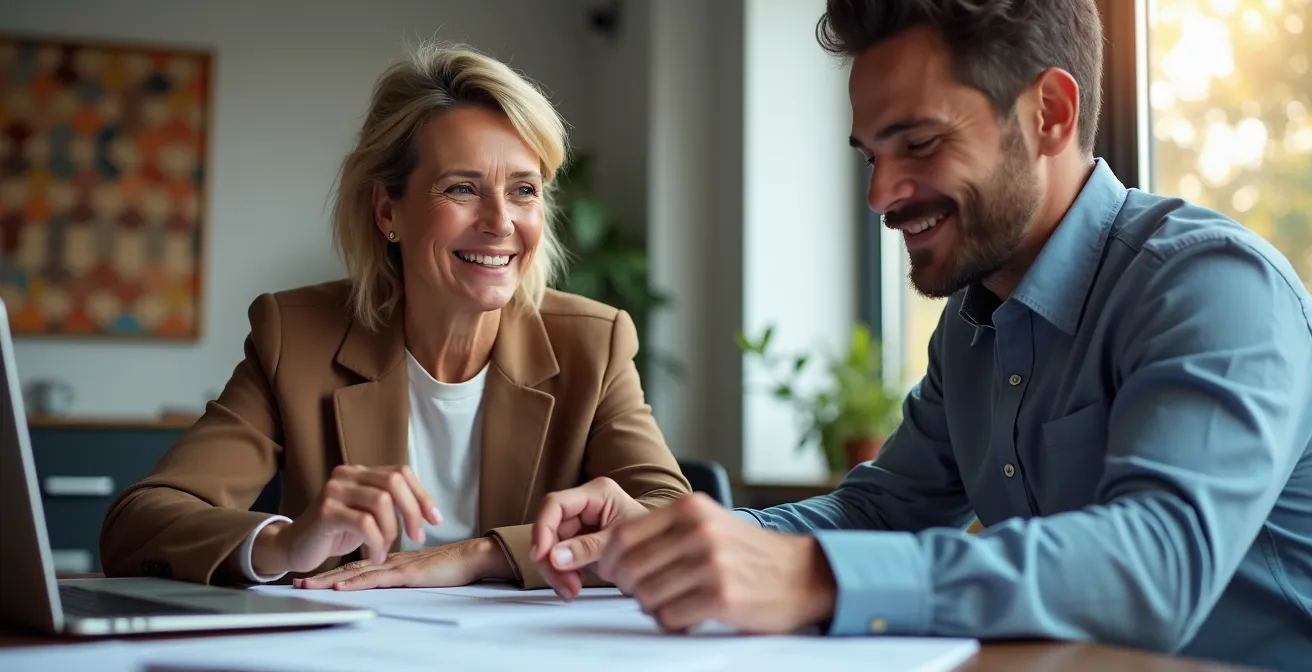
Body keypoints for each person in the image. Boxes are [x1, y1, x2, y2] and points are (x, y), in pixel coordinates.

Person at [528, 1, 1312, 668]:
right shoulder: (972, 327)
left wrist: (815, 578)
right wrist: (681, 537)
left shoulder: (1212, 284)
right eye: (871, 154)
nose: (879, 195)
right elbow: (878, 511)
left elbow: (1157, 568)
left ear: (1051, 114)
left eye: (920, 144)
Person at [99, 41, 690, 592]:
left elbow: (667, 517)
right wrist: (285, 542)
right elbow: (140, 522)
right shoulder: (296, 336)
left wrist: (477, 555)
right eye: (462, 188)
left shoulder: (594, 342)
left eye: (524, 190)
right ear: (388, 210)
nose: (501, 221)